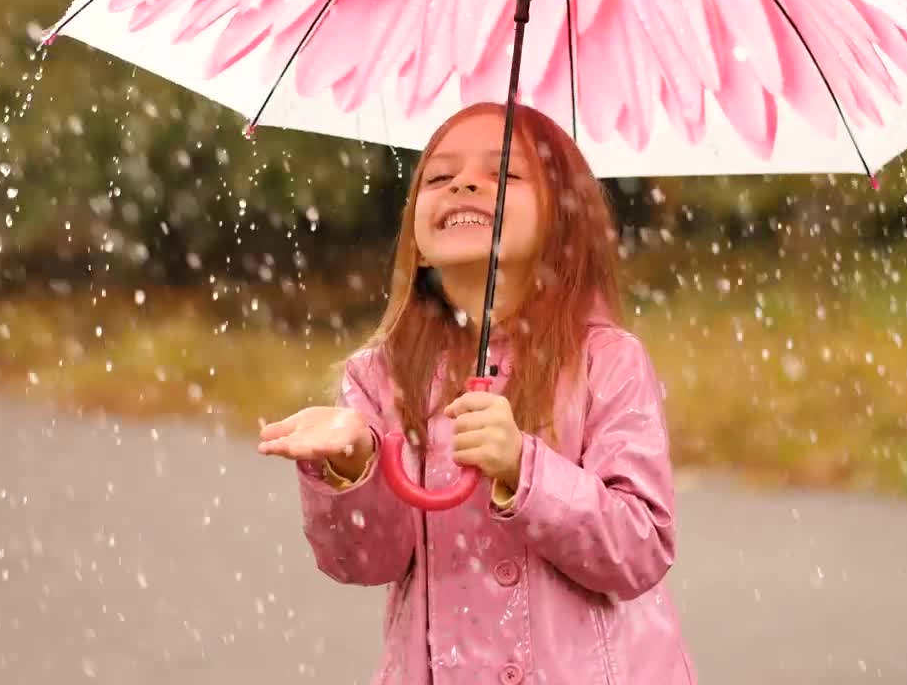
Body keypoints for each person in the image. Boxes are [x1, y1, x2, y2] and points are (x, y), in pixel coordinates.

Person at [257, 101, 696, 684]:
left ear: (563, 221)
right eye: (439, 176)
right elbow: (363, 561)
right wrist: (352, 464)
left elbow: (639, 548)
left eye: (503, 173)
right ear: (417, 234)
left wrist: (524, 468)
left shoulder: (607, 362)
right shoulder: (382, 375)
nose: (464, 183)